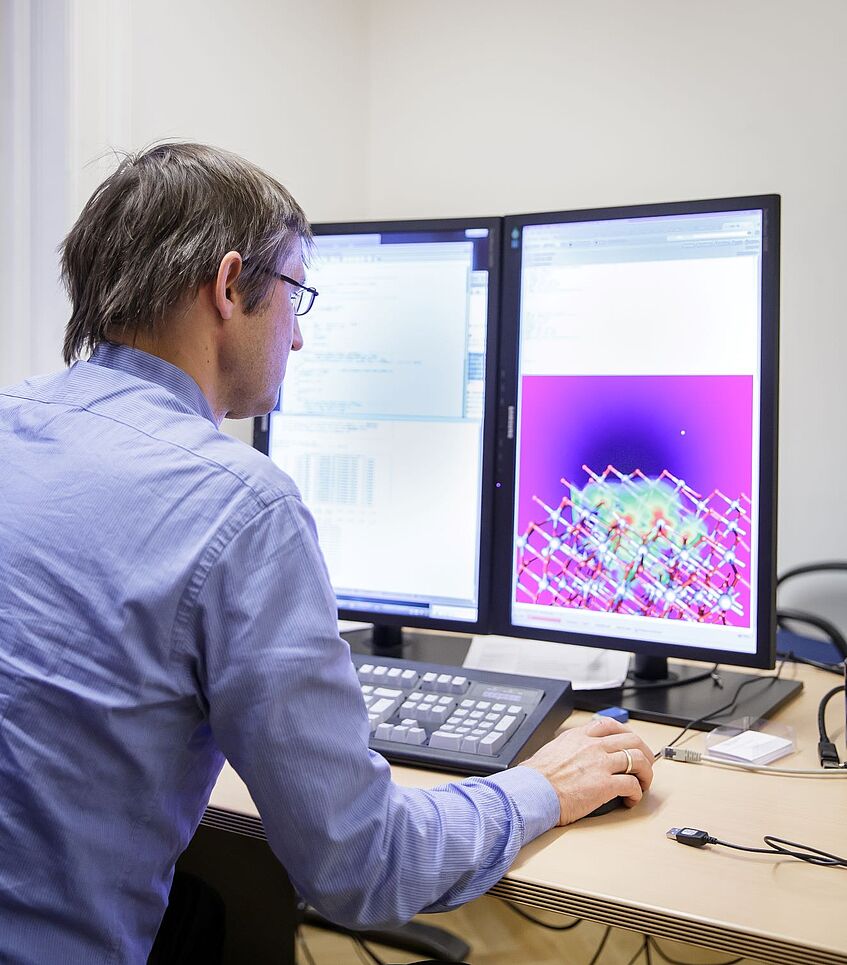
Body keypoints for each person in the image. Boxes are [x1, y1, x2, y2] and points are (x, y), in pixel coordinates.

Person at [0, 142, 654, 962]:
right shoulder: (238, 504)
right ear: (230, 287)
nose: (299, 339)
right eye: (296, 297)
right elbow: (362, 863)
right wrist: (543, 786)